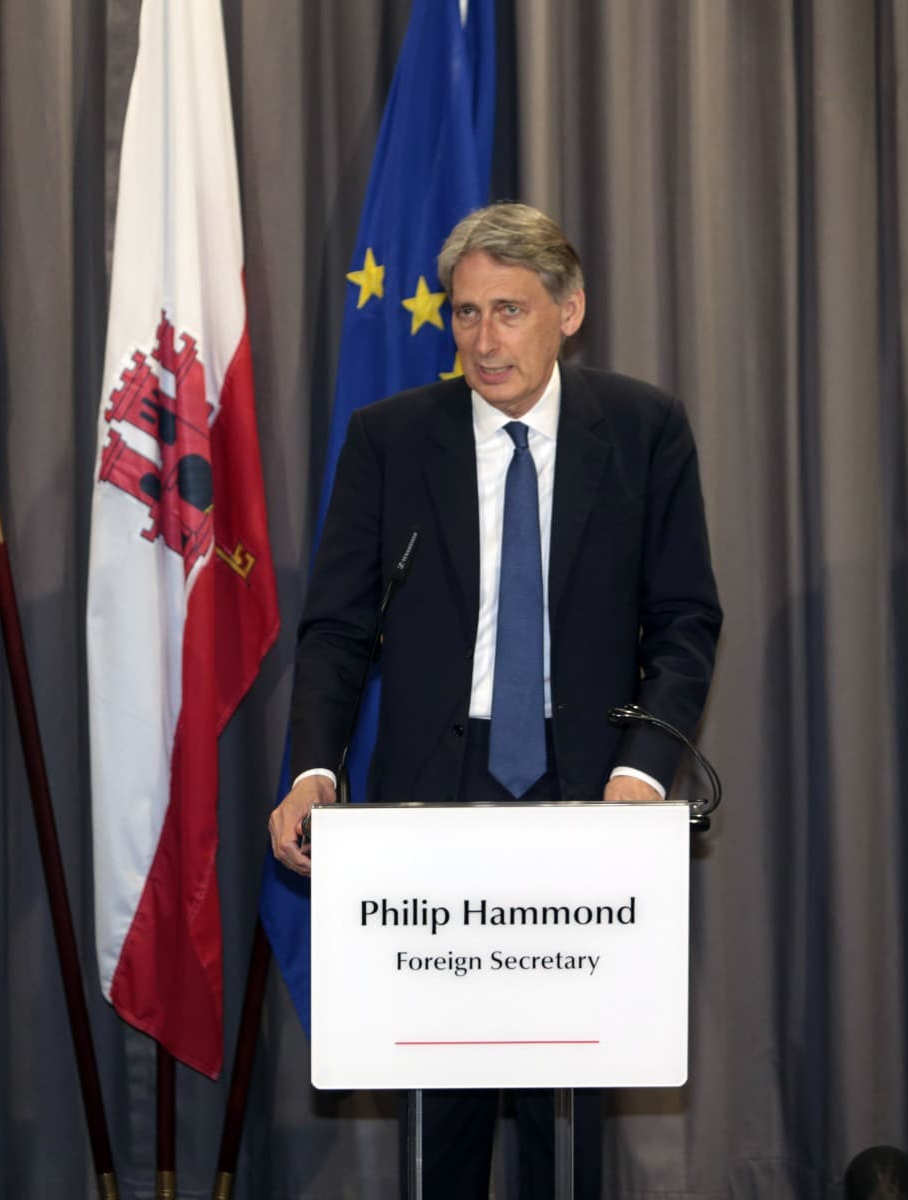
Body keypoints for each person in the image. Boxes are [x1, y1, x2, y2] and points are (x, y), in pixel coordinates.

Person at [268, 203, 721, 1198]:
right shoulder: (391, 440)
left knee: (568, 1126)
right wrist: (314, 769)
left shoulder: (642, 431)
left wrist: (643, 775)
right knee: (442, 1122)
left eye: (508, 311)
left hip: (590, 799)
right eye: (466, 313)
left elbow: (685, 621)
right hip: (438, 799)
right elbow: (337, 630)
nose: (483, 340)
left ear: (570, 311)